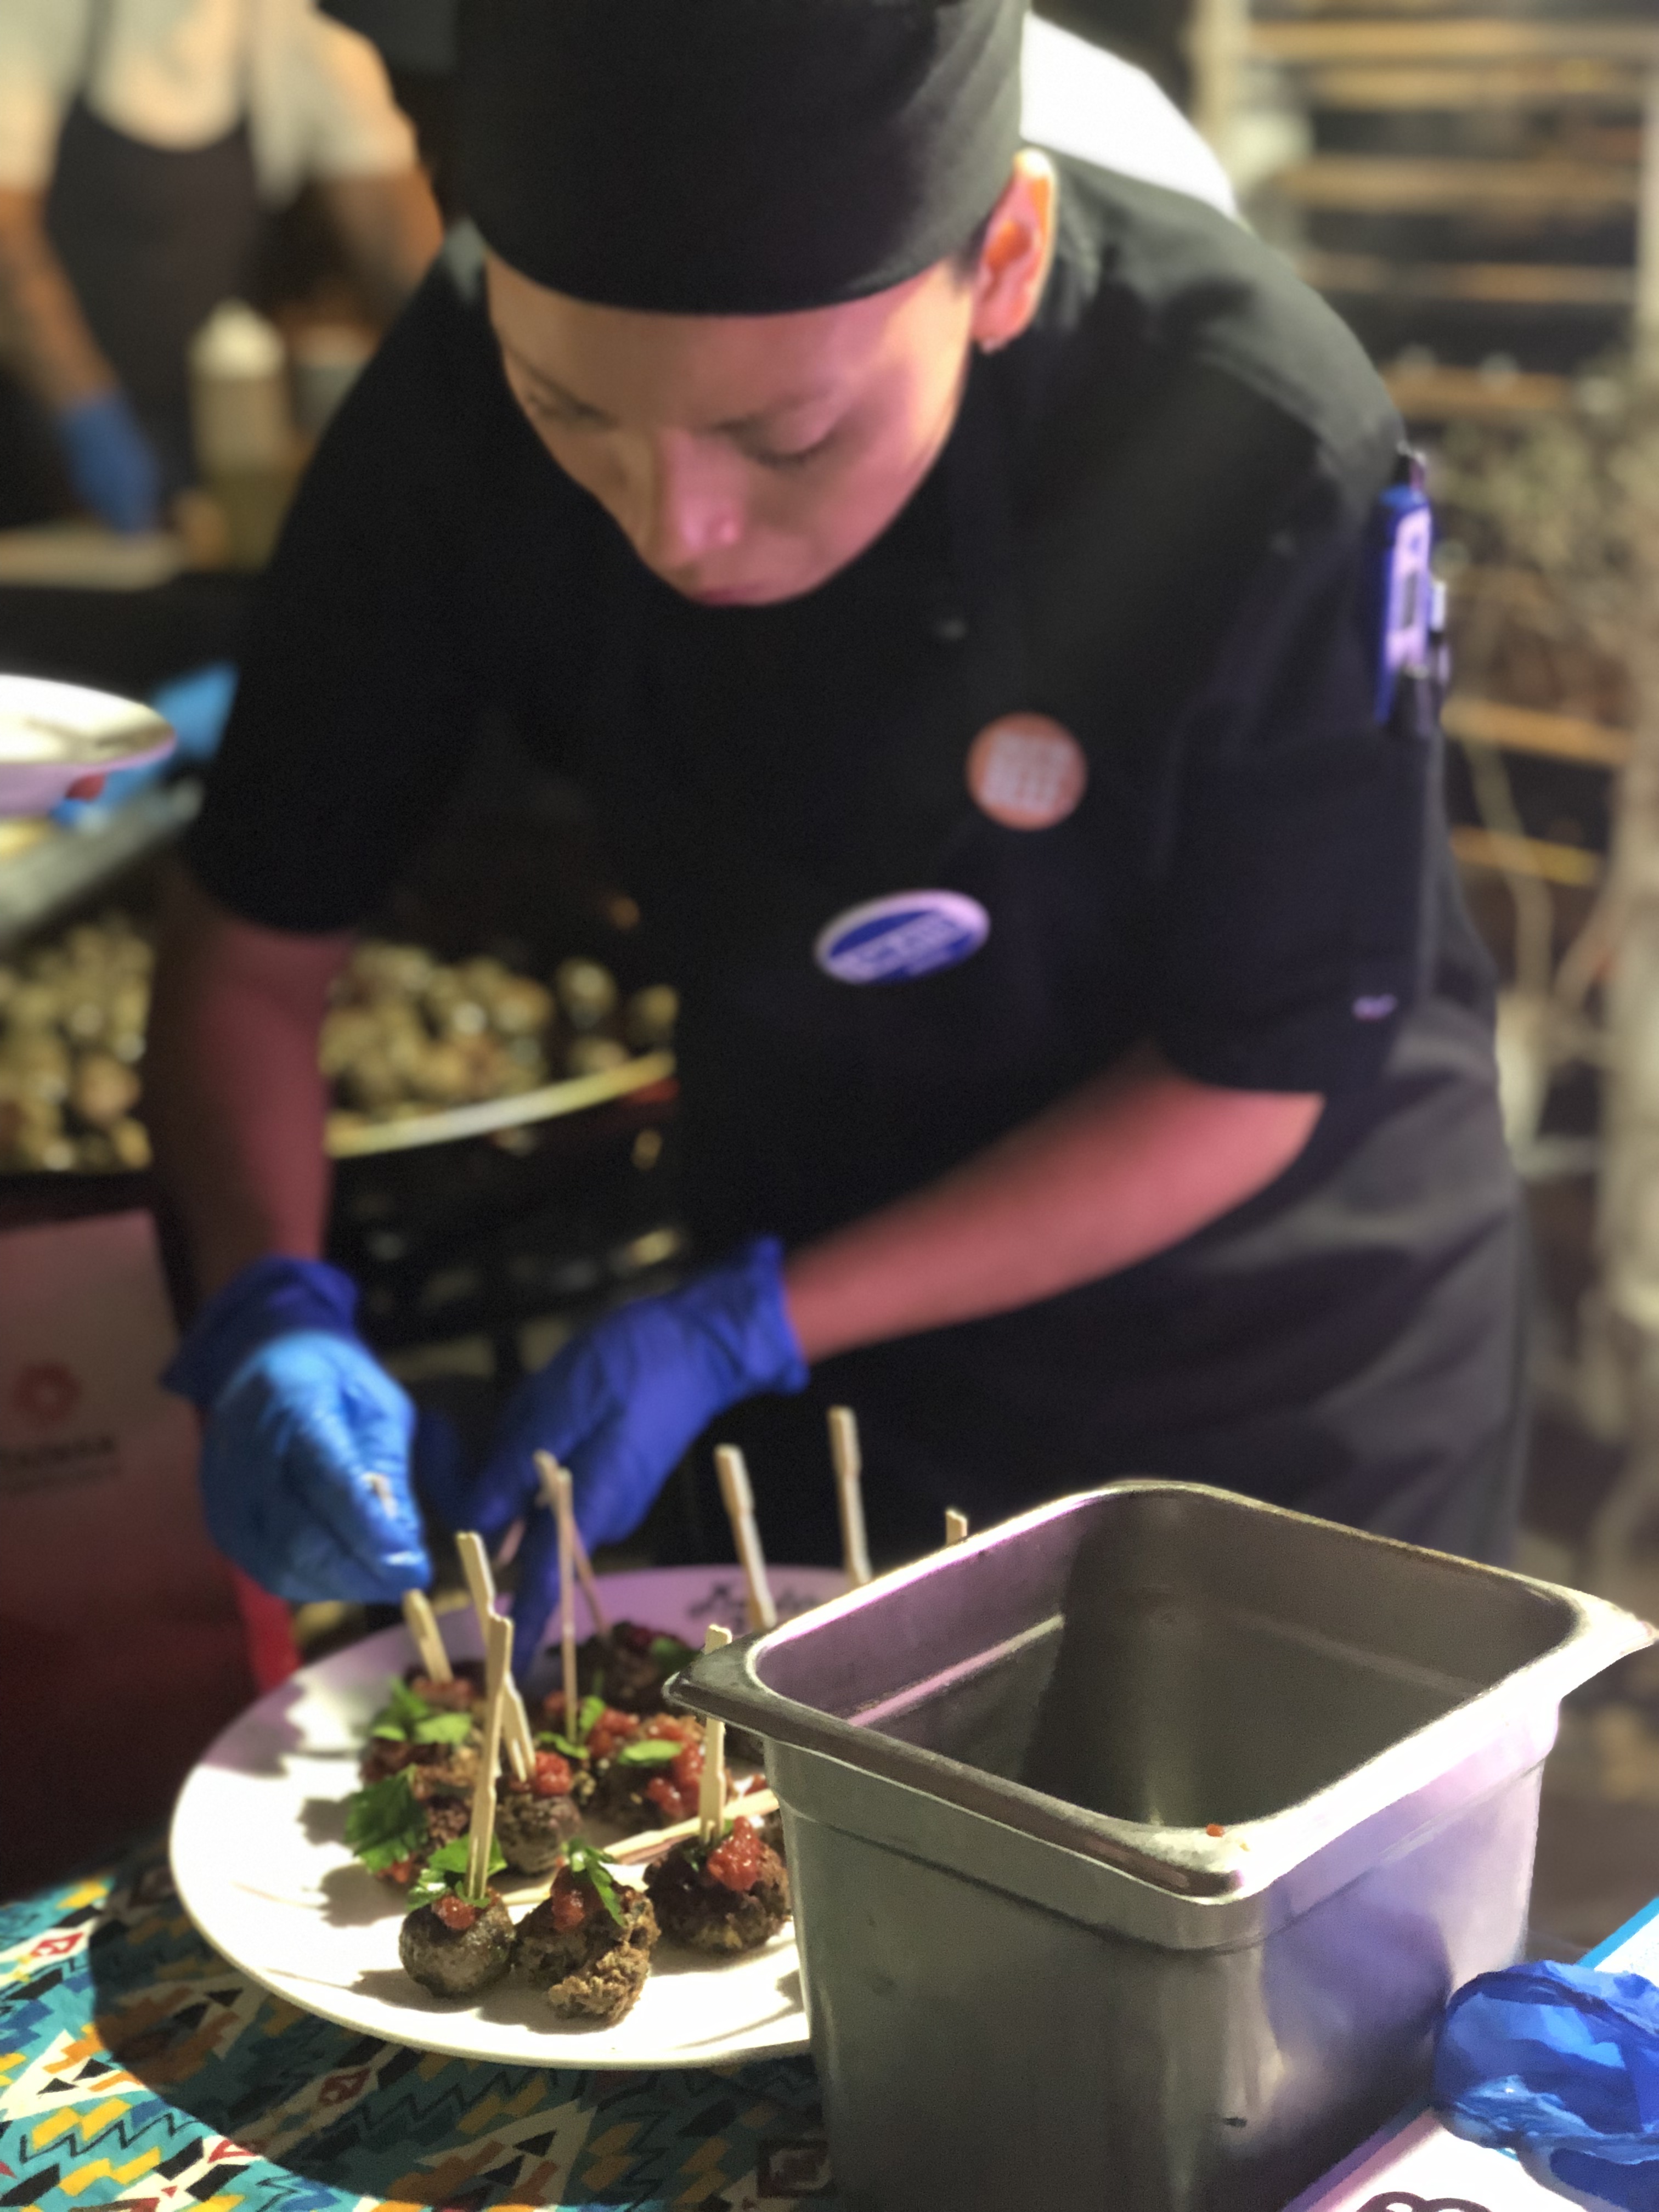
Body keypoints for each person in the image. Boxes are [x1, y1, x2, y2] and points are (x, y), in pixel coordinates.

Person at [146, 0, 1524, 1677]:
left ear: (1002, 260)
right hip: (823, 1329)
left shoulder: (1249, 429)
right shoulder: (449, 396)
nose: (679, 525)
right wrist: (270, 1306)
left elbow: (1257, 1071)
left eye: (785, 435)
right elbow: (253, 943)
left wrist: (755, 1322)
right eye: (572, 413)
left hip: (1260, 1366)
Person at [0, 0, 443, 531]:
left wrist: (471, 373)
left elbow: (394, 229)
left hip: (224, 438)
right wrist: (85, 414)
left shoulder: (302, 21)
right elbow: (7, 234)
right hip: (46, 428)